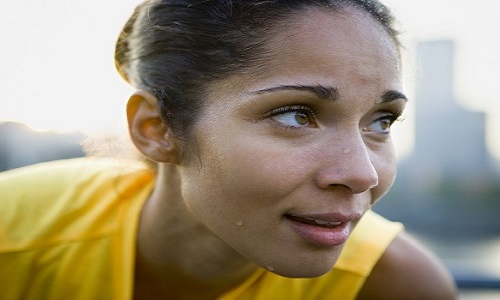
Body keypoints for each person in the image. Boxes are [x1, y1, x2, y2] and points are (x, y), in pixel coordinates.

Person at [0, 0, 458, 299]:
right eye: (297, 114)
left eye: (381, 122)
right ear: (156, 128)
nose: (363, 174)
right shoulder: (11, 235)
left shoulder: (394, 286)